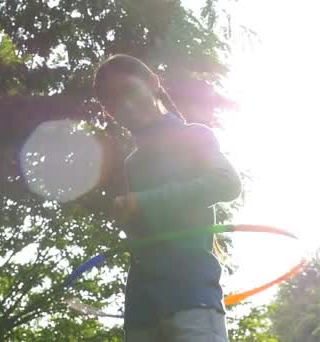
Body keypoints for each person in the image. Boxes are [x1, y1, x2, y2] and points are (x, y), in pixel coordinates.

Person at [93, 54, 242, 342]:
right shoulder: (132, 164)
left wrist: (145, 201)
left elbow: (227, 183)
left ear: (153, 83)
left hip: (191, 296)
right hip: (142, 310)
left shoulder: (194, 136)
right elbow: (149, 236)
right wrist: (128, 220)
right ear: (108, 112)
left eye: (130, 90)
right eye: (113, 101)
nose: (125, 105)